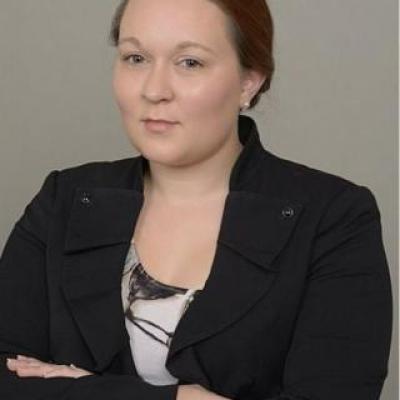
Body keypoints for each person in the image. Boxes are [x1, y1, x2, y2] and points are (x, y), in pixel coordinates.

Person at [0, 0, 392, 399]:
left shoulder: (334, 218)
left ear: (249, 81)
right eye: (136, 58)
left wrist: (86, 390)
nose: (154, 90)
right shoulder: (63, 200)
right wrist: (181, 398)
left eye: (190, 63)